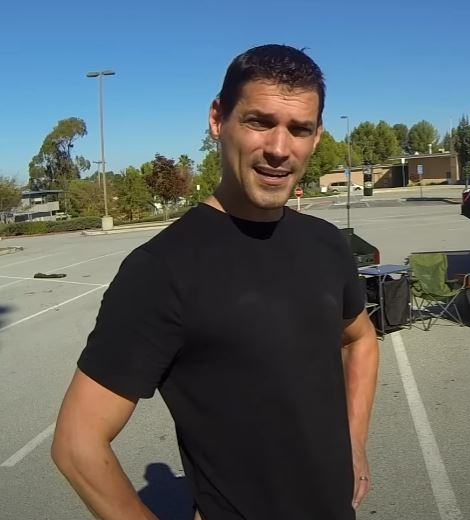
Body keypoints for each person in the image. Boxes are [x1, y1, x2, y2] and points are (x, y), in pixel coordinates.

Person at [51, 44, 379, 519]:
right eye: (259, 122)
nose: (279, 148)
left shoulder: (327, 244)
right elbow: (77, 445)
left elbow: (360, 339)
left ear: (317, 135)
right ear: (217, 119)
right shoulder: (162, 270)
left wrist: (354, 439)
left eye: (299, 129)